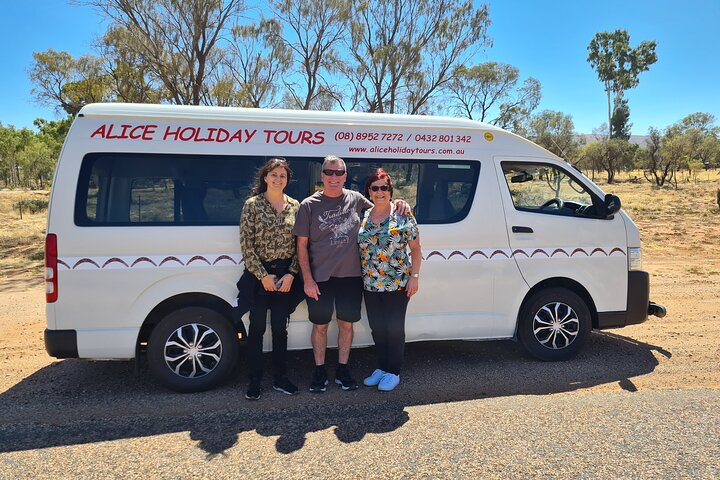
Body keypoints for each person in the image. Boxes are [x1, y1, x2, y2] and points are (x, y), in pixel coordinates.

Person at [293, 155, 410, 393]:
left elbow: (381, 206)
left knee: (346, 325)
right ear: (322, 175)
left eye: (339, 173)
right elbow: (301, 246)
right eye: (329, 172)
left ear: (345, 176)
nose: (333, 177)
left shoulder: (356, 199)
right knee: (320, 326)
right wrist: (307, 278)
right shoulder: (308, 205)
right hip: (320, 278)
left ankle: (343, 370)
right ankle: (319, 371)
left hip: (352, 278)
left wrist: (401, 202)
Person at [239, 157, 301, 401]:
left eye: (282, 176)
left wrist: (291, 274)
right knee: (255, 329)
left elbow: (300, 245)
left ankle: (280, 378)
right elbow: (246, 245)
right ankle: (254, 380)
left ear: (287, 180)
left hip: (286, 275)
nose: (278, 179)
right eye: (273, 175)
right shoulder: (252, 205)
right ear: (265, 177)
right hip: (259, 276)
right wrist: (263, 275)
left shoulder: (295, 206)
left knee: (280, 328)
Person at [358, 168, 422, 392]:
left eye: (384, 187)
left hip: (397, 284)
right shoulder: (365, 215)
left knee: (394, 328)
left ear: (390, 191)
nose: (380, 192)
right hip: (371, 284)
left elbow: (415, 249)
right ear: (369, 191)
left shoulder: (403, 215)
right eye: (375, 188)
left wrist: (414, 276)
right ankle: (382, 367)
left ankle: (394, 371)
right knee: (377, 328)